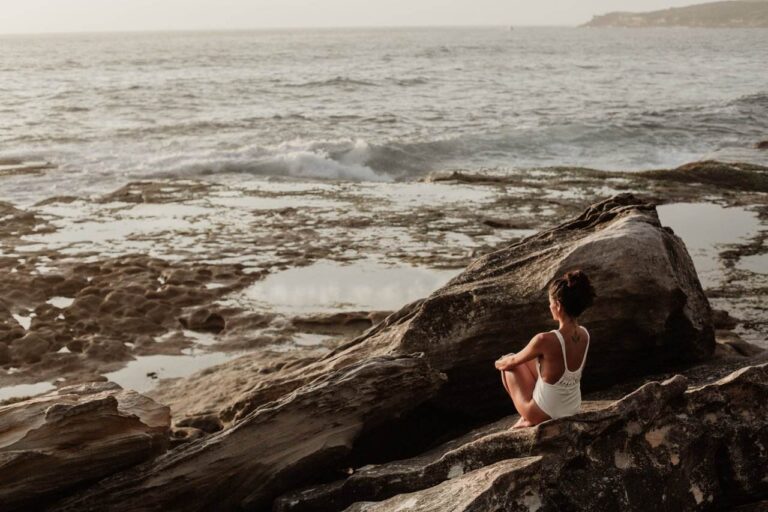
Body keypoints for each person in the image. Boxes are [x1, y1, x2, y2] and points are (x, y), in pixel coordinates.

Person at [494, 270, 596, 428]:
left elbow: (511, 362)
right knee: (533, 362)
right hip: (572, 408)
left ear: (558, 305)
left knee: (508, 365)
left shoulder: (544, 340)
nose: (549, 306)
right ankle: (532, 411)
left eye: (550, 302)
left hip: (544, 414)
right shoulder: (585, 334)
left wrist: (498, 363)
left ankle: (527, 418)